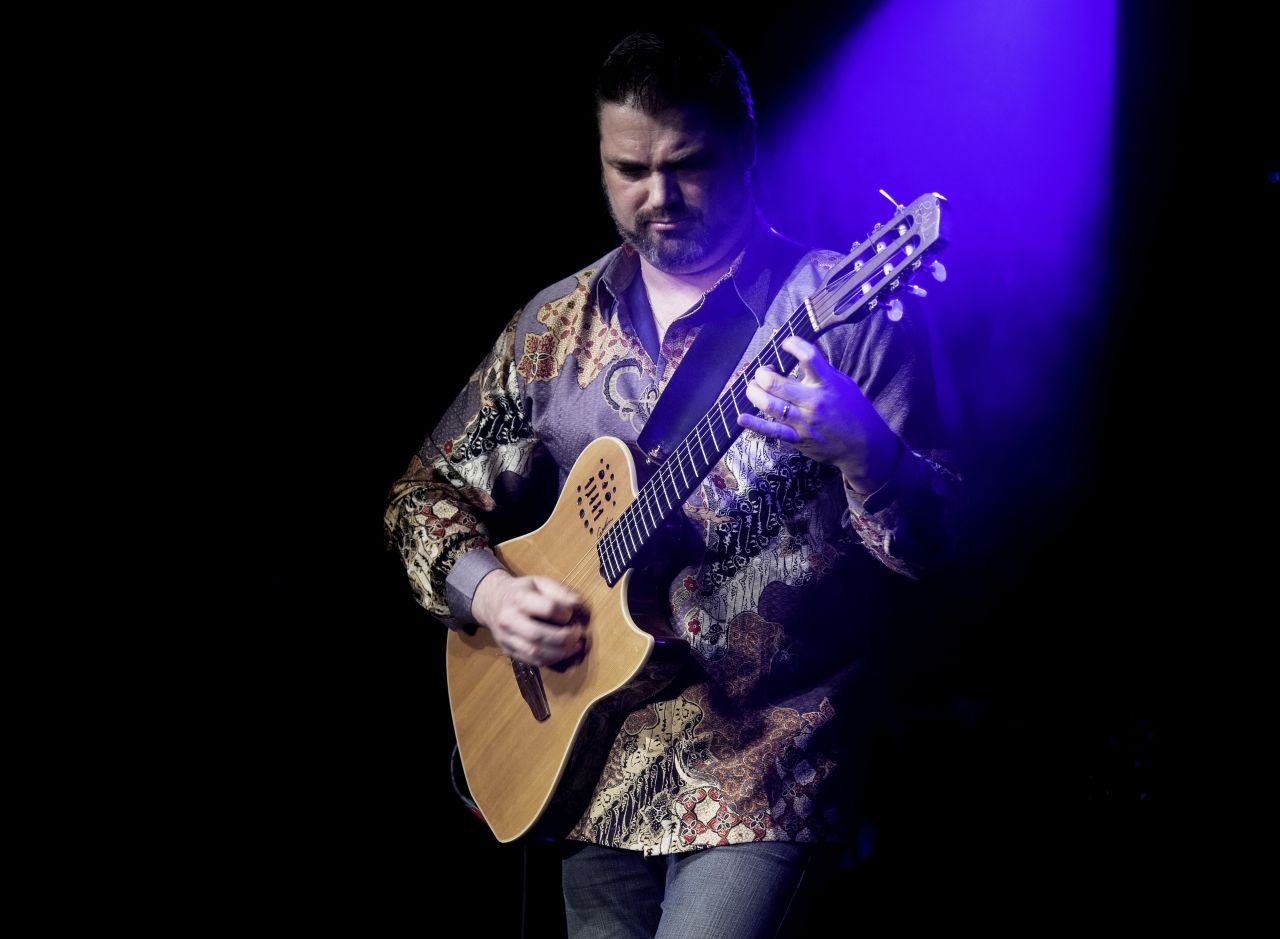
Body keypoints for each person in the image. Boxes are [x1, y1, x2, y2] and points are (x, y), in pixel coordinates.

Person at [385, 27, 958, 938]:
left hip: (768, 758)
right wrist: (489, 596)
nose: (659, 197)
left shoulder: (837, 313)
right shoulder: (554, 327)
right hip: (589, 762)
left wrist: (865, 452)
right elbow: (420, 497)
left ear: (744, 148)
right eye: (628, 169)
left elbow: (952, 551)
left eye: (688, 165)